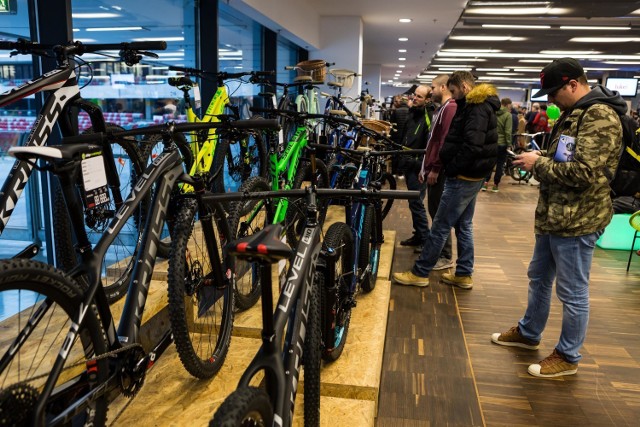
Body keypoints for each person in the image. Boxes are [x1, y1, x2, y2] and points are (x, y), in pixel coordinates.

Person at [491, 58, 626, 378]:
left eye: (554, 93)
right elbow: (566, 159)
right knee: (538, 276)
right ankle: (528, 333)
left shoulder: (599, 116)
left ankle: (568, 355)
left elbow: (585, 173)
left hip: (579, 220)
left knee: (573, 291)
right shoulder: (574, 114)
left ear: (573, 85)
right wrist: (543, 158)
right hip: (556, 216)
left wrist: (537, 165)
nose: (550, 101)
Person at [393, 70, 499, 288]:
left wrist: (450, 167)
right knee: (463, 225)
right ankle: (463, 273)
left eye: (453, 90)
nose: (451, 94)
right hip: (471, 174)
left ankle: (420, 273)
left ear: (464, 87)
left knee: (440, 225)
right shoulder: (472, 106)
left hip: (463, 175)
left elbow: (471, 145)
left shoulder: (476, 108)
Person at [418, 74, 457, 269]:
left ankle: (445, 255)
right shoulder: (442, 109)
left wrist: (434, 168)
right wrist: (425, 166)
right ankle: (438, 251)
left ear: (443, 87)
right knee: (435, 212)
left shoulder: (450, 108)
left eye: (433, 87)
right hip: (433, 167)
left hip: (439, 171)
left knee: (439, 215)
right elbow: (432, 141)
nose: (431, 91)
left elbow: (443, 142)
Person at [398, 85, 433, 248]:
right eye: (414, 95)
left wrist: (419, 164)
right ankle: (419, 235)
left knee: (416, 203)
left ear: (427, 100)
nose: (415, 98)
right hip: (408, 164)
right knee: (413, 203)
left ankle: (425, 240)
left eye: (419, 96)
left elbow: (430, 145)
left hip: (418, 167)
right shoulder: (412, 113)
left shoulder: (428, 116)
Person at [483, 97, 512, 192]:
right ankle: (495, 185)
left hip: (492, 142)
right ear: (507, 105)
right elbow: (507, 131)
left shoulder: (493, 112)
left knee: (489, 163)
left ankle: (485, 183)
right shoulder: (508, 115)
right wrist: (509, 144)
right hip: (502, 144)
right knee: (500, 165)